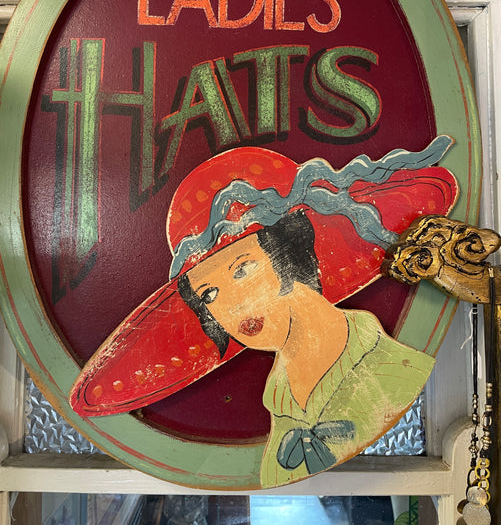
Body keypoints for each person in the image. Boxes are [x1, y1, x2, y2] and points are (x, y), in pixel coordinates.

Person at [70, 137, 458, 487]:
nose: (232, 306)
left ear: (294, 251)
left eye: (243, 269)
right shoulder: (280, 406)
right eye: (209, 294)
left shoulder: (394, 372)